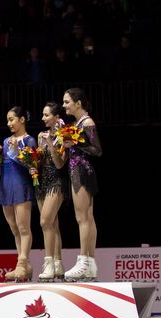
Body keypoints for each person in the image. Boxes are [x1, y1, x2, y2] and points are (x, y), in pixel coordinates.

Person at [61, 88, 102, 281]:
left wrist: (74, 143)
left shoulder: (87, 122)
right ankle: (90, 265)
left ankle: (83, 260)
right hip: (78, 171)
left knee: (83, 217)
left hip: (83, 172)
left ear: (78, 103)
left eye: (67, 101)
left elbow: (97, 150)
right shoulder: (78, 123)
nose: (64, 105)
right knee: (88, 217)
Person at [0, 106, 37, 281]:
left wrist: (17, 152)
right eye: (7, 120)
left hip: (21, 186)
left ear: (22, 120)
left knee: (24, 227)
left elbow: (32, 167)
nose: (9, 123)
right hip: (6, 187)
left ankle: (21, 263)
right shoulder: (5, 142)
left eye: (12, 119)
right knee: (14, 229)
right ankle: (24, 266)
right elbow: (2, 168)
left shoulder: (29, 141)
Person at [34, 102, 69, 282]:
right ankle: (58, 264)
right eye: (43, 114)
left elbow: (59, 164)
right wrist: (30, 161)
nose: (43, 118)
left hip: (57, 181)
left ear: (56, 117)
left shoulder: (65, 135)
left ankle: (48, 264)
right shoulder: (41, 136)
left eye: (46, 115)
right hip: (42, 182)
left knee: (45, 221)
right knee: (52, 225)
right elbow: (40, 160)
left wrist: (50, 144)